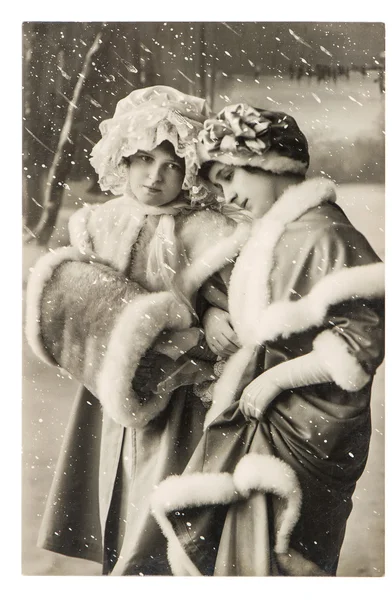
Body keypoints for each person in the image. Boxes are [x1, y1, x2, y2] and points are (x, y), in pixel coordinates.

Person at [150, 103, 385, 576]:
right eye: (218, 184)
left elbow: (360, 344)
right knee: (246, 555)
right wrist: (215, 312)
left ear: (270, 163)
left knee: (277, 556)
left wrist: (277, 379)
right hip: (263, 424)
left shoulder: (324, 232)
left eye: (230, 176)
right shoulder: (275, 231)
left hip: (305, 426)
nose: (227, 194)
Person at [25, 86, 249, 575]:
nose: (155, 175)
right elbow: (77, 302)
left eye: (172, 165)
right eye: (143, 159)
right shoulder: (95, 224)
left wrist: (210, 315)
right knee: (113, 485)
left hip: (180, 390)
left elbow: (230, 300)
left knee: (163, 504)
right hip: (109, 382)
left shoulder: (209, 229)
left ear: (190, 172)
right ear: (121, 161)